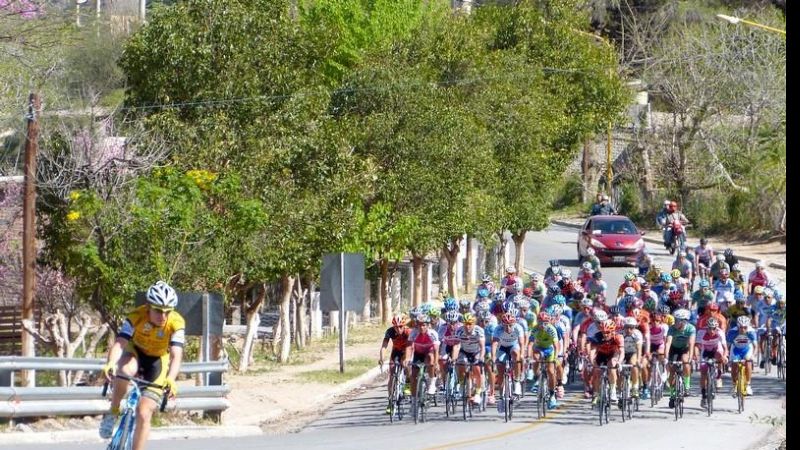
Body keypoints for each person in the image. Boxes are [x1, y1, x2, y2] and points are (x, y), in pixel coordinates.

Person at [99, 281, 185, 446]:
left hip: (157, 362)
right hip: (135, 353)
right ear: (148, 306)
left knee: (144, 414)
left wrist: (171, 379)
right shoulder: (136, 316)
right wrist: (110, 363)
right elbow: (120, 343)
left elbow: (176, 354)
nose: (163, 317)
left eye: (168, 312)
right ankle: (113, 411)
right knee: (124, 369)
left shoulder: (177, 322)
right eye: (158, 311)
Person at [664, 308, 695, 408]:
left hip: (685, 349)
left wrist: (690, 358)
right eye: (675, 319)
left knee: (685, 361)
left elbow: (691, 344)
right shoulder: (672, 328)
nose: (674, 322)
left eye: (677, 320)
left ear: (683, 321)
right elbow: (668, 343)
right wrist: (665, 357)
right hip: (674, 349)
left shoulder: (690, 328)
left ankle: (686, 385)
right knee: (672, 371)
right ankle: (672, 394)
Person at [379, 315, 412, 411]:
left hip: (407, 350)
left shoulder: (408, 332)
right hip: (396, 351)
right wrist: (381, 358)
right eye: (396, 327)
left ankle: (408, 383)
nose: (398, 329)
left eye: (401, 326)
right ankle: (390, 401)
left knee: (406, 365)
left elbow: (411, 346)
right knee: (391, 374)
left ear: (404, 325)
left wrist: (407, 358)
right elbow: (384, 346)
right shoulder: (390, 332)